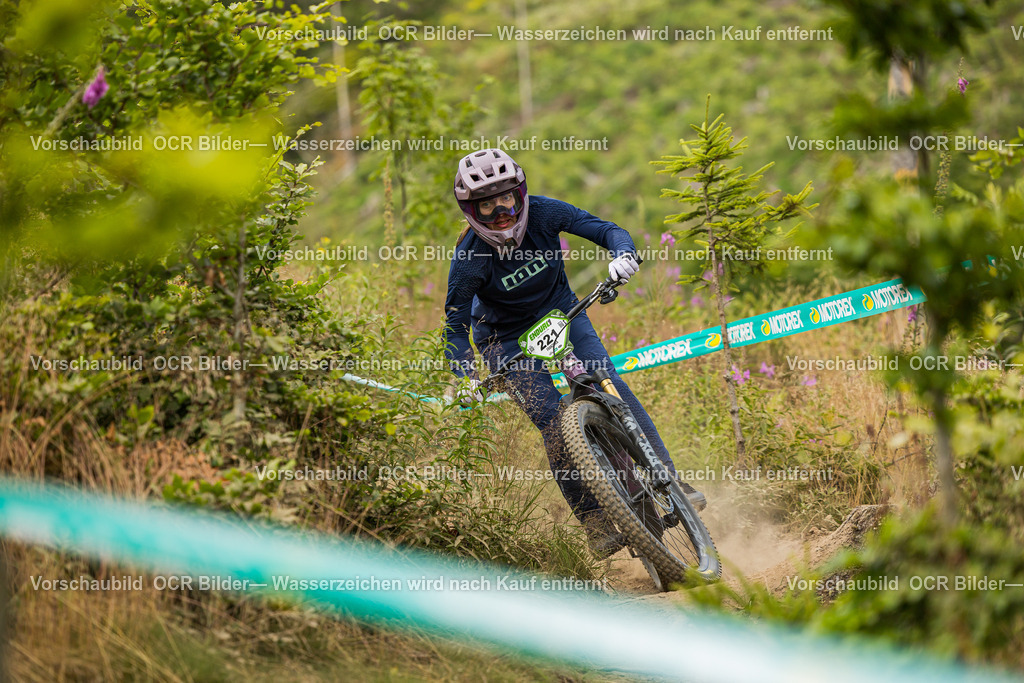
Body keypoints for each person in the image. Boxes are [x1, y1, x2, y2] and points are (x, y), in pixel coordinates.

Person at [442, 148, 705, 557]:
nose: (501, 213)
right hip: (504, 339)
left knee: (607, 380)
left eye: (506, 198)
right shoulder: (469, 260)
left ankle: (668, 478)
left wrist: (622, 254)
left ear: (520, 192)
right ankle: (596, 523)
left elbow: (605, 229)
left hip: (563, 312)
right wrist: (466, 379)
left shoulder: (545, 213)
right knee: (553, 424)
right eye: (487, 205)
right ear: (471, 210)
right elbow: (455, 326)